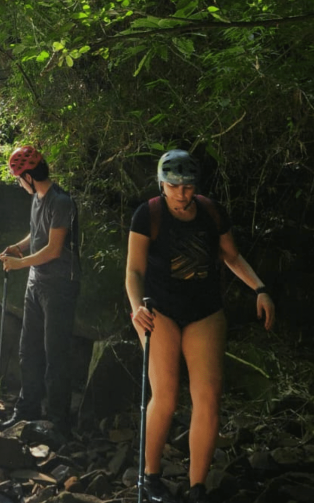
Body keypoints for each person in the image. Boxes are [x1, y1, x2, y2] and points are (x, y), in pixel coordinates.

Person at [125, 149, 276, 503]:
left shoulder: (210, 212)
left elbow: (231, 256)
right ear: (162, 185)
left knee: (207, 396)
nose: (182, 194)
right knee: (165, 393)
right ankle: (150, 477)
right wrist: (135, 309)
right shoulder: (147, 215)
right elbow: (133, 270)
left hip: (204, 311)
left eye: (188, 186)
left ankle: (197, 487)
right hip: (158, 311)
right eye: (174, 186)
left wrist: (260, 288)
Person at [0, 145, 80, 433]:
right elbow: (37, 233)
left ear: (29, 177)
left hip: (59, 285)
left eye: (19, 178)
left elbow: (54, 248)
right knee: (28, 350)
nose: (20, 184)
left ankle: (58, 419)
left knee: (55, 353)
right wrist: (18, 248)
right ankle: (27, 408)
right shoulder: (37, 199)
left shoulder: (62, 202)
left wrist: (19, 264)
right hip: (36, 284)